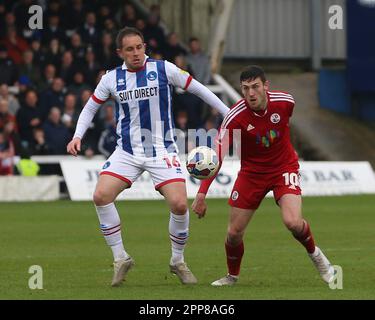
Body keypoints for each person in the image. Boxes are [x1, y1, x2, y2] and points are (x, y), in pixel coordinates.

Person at [67, 27, 229, 287]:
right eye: (130, 49)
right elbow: (90, 108)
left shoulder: (164, 69)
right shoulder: (111, 78)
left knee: (179, 205)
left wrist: (227, 112)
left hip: (162, 150)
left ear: (145, 47)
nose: (136, 53)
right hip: (127, 152)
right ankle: (121, 258)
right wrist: (77, 135)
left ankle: (177, 261)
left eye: (139, 47)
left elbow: (200, 89)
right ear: (120, 52)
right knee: (100, 196)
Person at [192, 65, 335, 286]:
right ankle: (232, 276)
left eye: (255, 87)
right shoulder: (234, 117)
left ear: (265, 86)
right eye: (245, 88)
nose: (250, 93)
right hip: (252, 174)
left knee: (293, 222)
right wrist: (201, 194)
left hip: (283, 168)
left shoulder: (286, 102)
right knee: (233, 234)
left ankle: (316, 255)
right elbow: (217, 156)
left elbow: (285, 127)